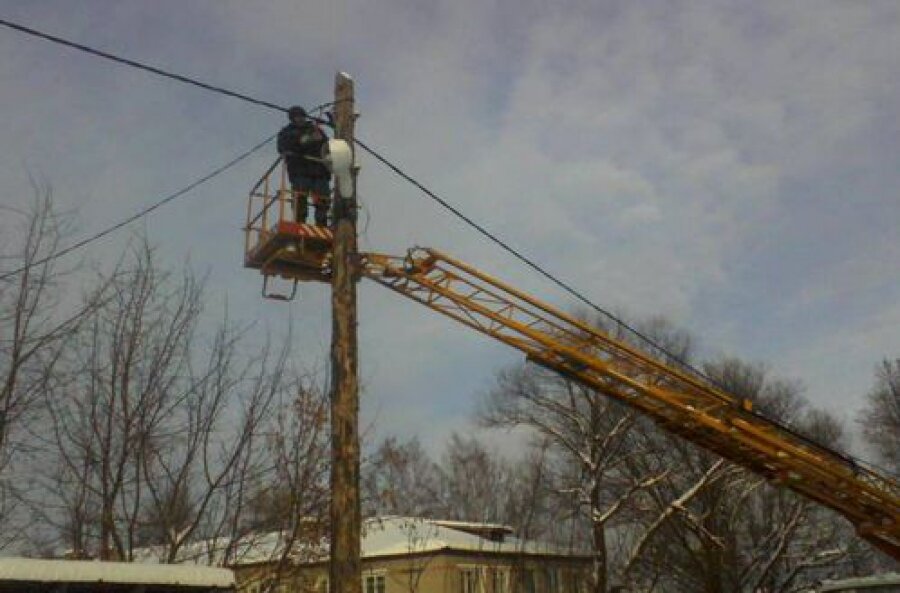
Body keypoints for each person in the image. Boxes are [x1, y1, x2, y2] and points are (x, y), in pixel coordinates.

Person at [277, 106, 331, 226]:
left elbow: (327, 148)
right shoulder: (287, 132)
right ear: (292, 119)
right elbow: (282, 148)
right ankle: (300, 223)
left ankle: (322, 223)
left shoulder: (315, 130)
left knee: (322, 199)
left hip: (319, 171)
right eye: (297, 117)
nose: (300, 119)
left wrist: (320, 139)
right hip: (300, 171)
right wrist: (303, 141)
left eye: (301, 116)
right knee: (300, 198)